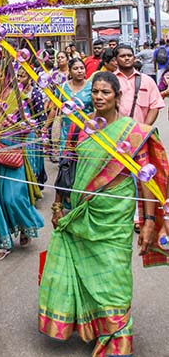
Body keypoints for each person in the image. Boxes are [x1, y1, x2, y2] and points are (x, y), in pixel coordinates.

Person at [39, 71, 169, 355]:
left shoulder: (131, 132)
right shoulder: (83, 128)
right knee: (85, 268)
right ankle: (96, 327)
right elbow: (68, 167)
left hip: (115, 213)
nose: (99, 97)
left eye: (105, 93)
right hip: (82, 211)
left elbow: (146, 180)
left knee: (114, 274)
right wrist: (59, 204)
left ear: (117, 96)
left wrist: (148, 221)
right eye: (95, 92)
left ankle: (118, 334)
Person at [0, 64, 44, 260]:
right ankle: (3, 241)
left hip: (13, 154)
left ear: (6, 76)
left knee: (13, 198)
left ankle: (26, 226)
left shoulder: (19, 97)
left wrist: (12, 126)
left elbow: (31, 126)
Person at [115, 44, 164, 125]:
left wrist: (143, 130)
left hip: (141, 132)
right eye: (122, 56)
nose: (127, 58)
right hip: (115, 133)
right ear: (115, 60)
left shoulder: (147, 80)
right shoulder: (110, 80)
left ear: (134, 58)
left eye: (129, 55)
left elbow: (155, 107)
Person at [56, 58, 93, 152]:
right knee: (66, 160)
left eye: (82, 68)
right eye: (76, 68)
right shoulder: (62, 87)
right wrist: (46, 126)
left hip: (85, 131)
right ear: (70, 71)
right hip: (66, 131)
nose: (79, 71)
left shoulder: (92, 87)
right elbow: (55, 108)